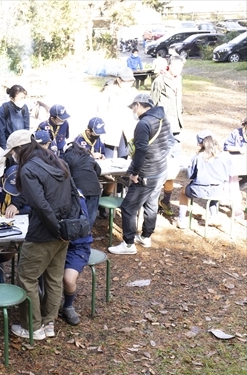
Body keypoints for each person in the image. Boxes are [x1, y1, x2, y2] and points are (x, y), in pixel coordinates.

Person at [6, 129, 75, 341]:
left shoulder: (28, 169)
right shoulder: (56, 161)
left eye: (12, 153)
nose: (12, 158)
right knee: (53, 278)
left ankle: (32, 328)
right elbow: (73, 195)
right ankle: (48, 323)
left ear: (19, 149)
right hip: (64, 230)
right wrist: (64, 230)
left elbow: (40, 205)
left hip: (43, 233)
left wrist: (55, 228)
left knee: (27, 278)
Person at [108, 94, 171, 255]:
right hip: (160, 170)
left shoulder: (144, 123)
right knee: (151, 204)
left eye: (133, 107)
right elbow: (166, 143)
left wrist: (135, 173)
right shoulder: (164, 119)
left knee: (128, 207)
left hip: (146, 173)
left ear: (138, 105)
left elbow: (141, 150)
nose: (133, 111)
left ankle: (128, 244)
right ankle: (146, 236)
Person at [0, 164, 30, 283]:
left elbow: (32, 208)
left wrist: (18, 210)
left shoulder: (26, 188)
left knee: (11, 250)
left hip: (13, 225)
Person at [150, 56, 185, 217]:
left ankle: (166, 200)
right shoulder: (160, 81)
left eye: (181, 67)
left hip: (177, 126)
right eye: (176, 66)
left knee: (174, 165)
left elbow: (179, 102)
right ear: (169, 66)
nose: (178, 70)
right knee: (161, 163)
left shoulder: (179, 80)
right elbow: (153, 103)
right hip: (164, 127)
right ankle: (153, 201)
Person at [176, 132, 232, 229]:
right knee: (213, 194)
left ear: (200, 144)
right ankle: (214, 217)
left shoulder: (197, 157)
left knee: (183, 192)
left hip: (199, 190)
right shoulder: (224, 156)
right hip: (218, 190)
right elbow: (228, 174)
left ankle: (181, 220)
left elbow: (191, 175)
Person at [61, 191, 93, 325]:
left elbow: (79, 228)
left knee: (68, 280)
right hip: (53, 244)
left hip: (76, 246)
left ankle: (68, 306)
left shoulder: (75, 197)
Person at [97, 66, 137, 159]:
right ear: (119, 80)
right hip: (111, 128)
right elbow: (101, 111)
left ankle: (121, 174)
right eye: (126, 81)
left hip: (126, 129)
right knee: (108, 156)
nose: (129, 84)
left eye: (131, 81)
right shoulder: (109, 91)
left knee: (123, 157)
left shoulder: (133, 92)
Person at [62, 142, 102, 230]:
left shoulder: (66, 157)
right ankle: (86, 236)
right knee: (90, 216)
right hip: (94, 189)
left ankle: (77, 236)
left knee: (77, 214)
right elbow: (98, 171)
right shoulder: (88, 156)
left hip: (78, 190)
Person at [0, 85, 30, 149]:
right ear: (12, 98)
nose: (23, 100)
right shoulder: (3, 110)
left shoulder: (24, 108)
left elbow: (26, 127)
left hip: (20, 144)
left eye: (24, 98)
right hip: (8, 144)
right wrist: (5, 150)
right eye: (20, 98)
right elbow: (0, 132)